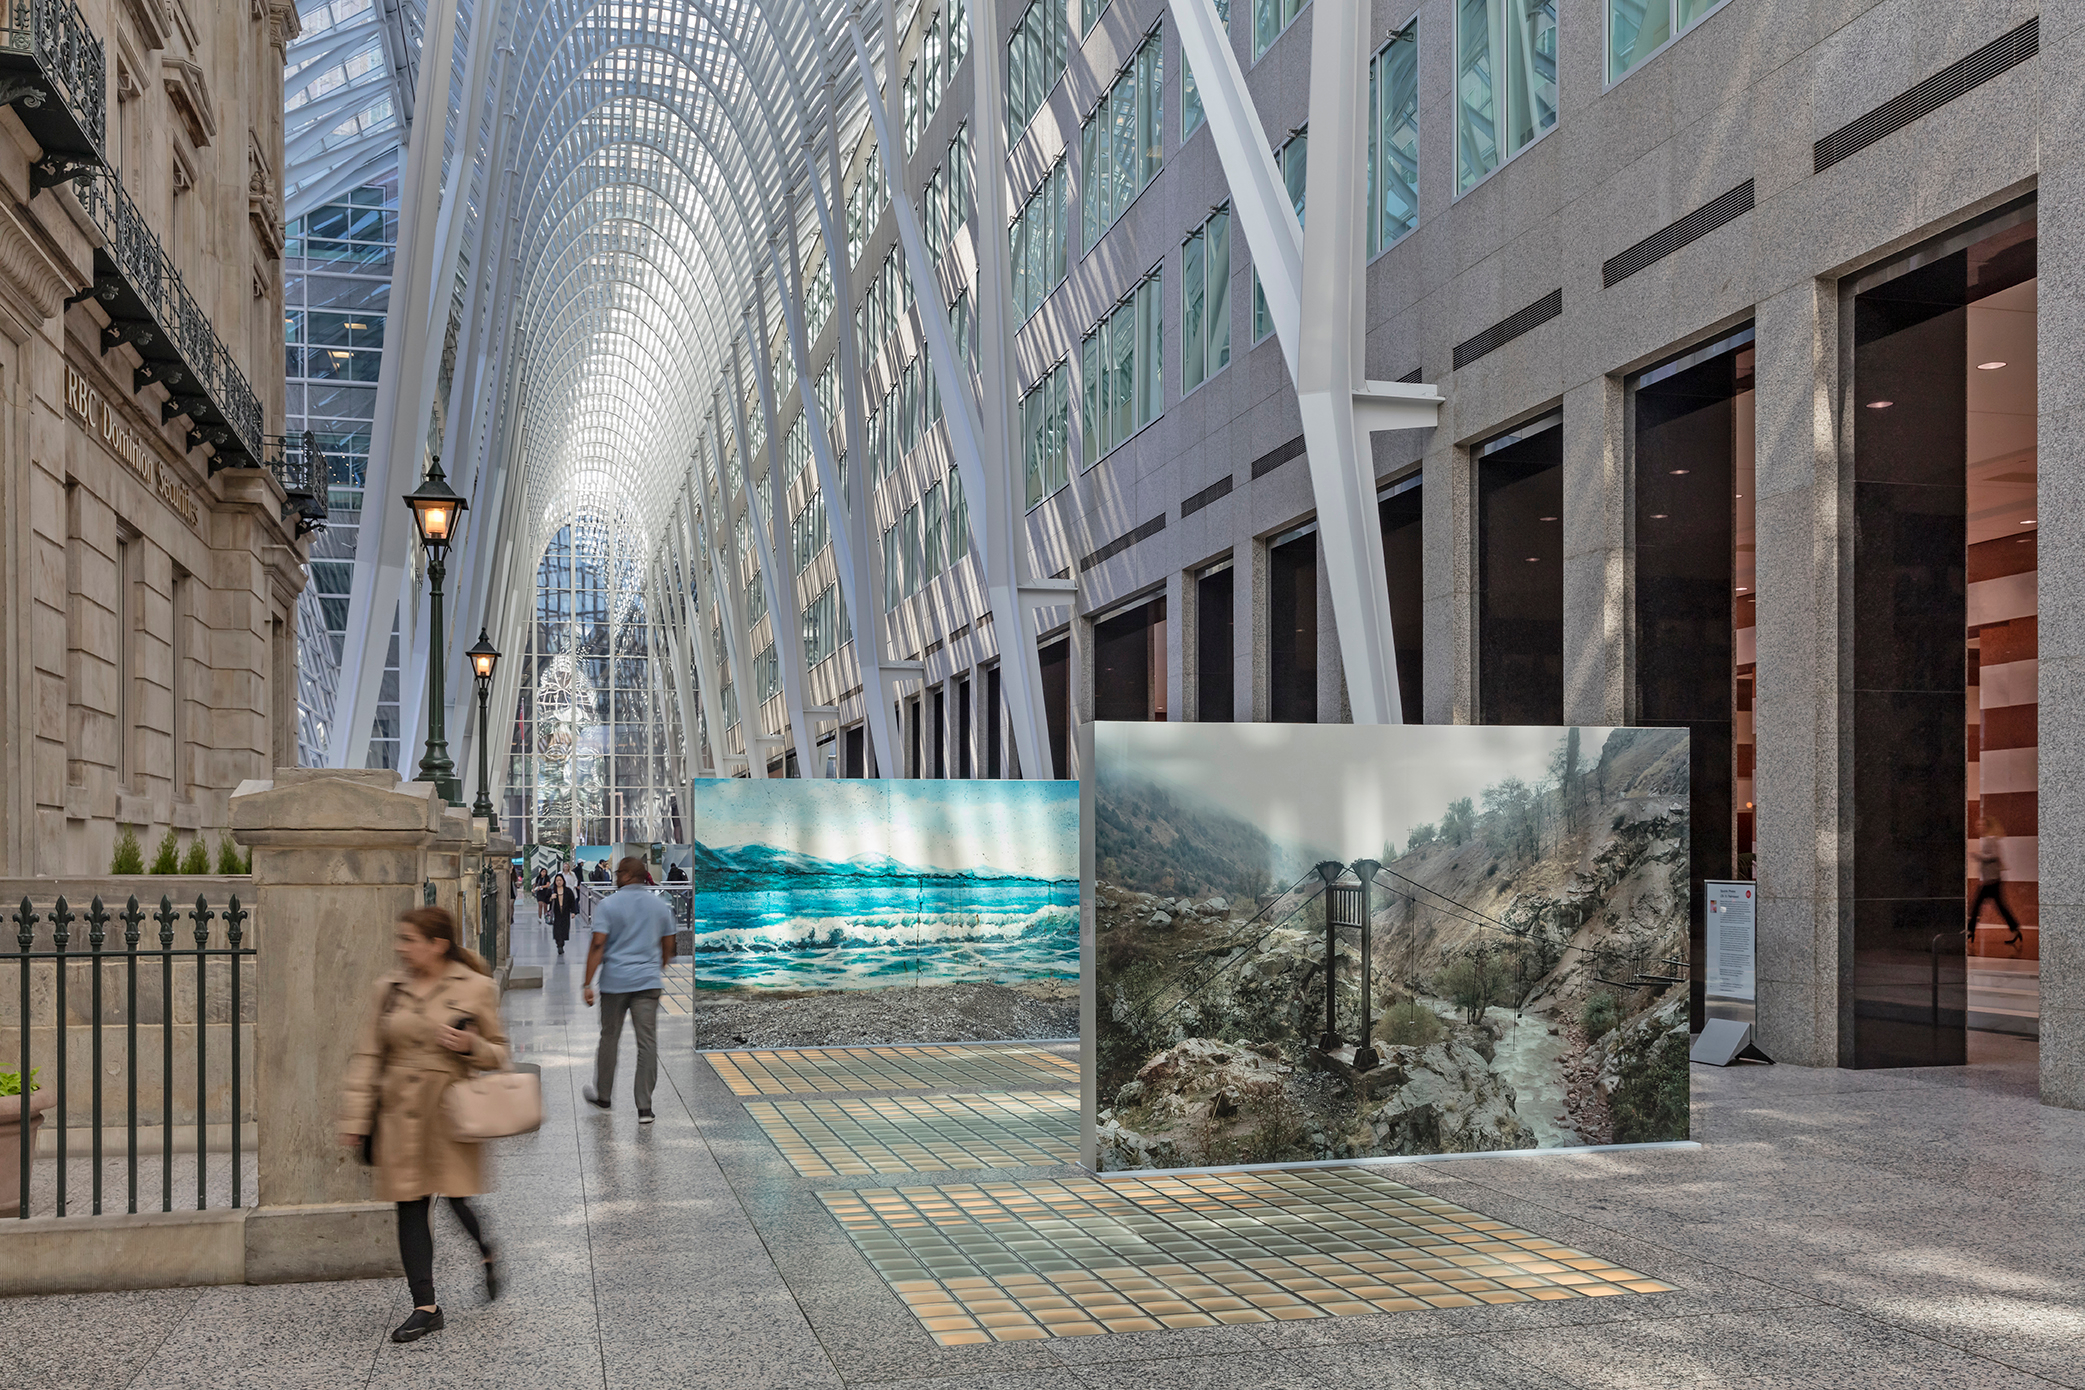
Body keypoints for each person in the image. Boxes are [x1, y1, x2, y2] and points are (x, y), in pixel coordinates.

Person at [338, 907, 508, 1343]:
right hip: (398, 1112)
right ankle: (426, 1307)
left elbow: (499, 1053)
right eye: (400, 939)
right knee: (410, 1205)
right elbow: (368, 1055)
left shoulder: (476, 986)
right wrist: (356, 1117)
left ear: (437, 944)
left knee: (455, 1197)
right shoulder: (389, 989)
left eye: (410, 939)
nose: (401, 947)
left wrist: (470, 1044)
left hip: (447, 1111)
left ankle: (486, 1250)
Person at [581, 856, 677, 1123]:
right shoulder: (660, 906)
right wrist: (655, 969)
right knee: (647, 1044)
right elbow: (669, 945)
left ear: (626, 876)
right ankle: (644, 1108)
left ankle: (604, 1097)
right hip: (648, 983)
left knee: (609, 1038)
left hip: (614, 983)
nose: (615, 875)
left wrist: (587, 983)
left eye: (618, 872)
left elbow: (598, 944)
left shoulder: (608, 905)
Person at [1968, 816, 2025, 953]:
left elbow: (1993, 856)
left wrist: (1978, 856)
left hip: (1992, 880)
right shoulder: (1988, 840)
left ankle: (1970, 931)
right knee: (1999, 906)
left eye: (1981, 825)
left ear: (1986, 826)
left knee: (1976, 906)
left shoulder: (1990, 839)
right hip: (1991, 879)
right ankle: (2015, 929)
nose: (1978, 827)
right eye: (1977, 825)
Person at [548, 864, 576, 956]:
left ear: (563, 881)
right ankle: (559, 945)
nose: (559, 882)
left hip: (565, 912)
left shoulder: (568, 891)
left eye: (560, 880)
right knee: (557, 929)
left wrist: (573, 912)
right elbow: (547, 900)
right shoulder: (552, 891)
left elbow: (572, 901)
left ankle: (562, 943)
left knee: (564, 928)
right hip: (556, 913)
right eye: (557, 880)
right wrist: (551, 898)